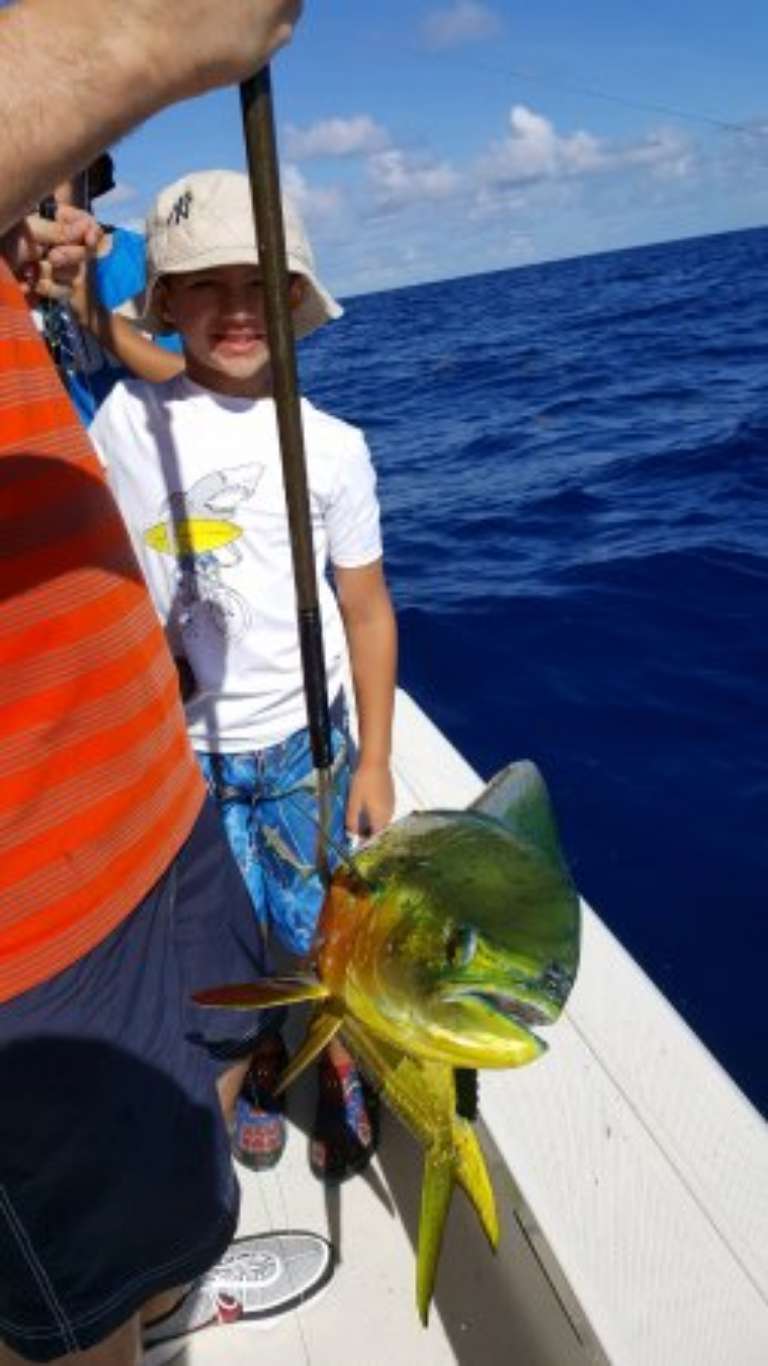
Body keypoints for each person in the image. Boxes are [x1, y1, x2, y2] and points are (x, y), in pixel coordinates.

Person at [0, 2, 303, 1363]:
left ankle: (166, 1286)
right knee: (70, 1313)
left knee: (213, 1065)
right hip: (31, 908)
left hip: (147, 794)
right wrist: (134, 33)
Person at [90, 168, 398, 1181]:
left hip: (306, 749)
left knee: (320, 934)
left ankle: (337, 1053)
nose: (235, 309)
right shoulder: (126, 422)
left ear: (294, 296)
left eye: (259, 283)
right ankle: (264, 1051)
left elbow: (367, 609)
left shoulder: (335, 448)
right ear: (166, 302)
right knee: (219, 948)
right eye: (204, 286)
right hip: (184, 755)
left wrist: (375, 761)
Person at [44, 152, 184, 424]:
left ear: (88, 178)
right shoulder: (13, 279)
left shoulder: (151, 261)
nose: (35, 191)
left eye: (52, 171)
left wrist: (91, 313)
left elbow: (198, 384)